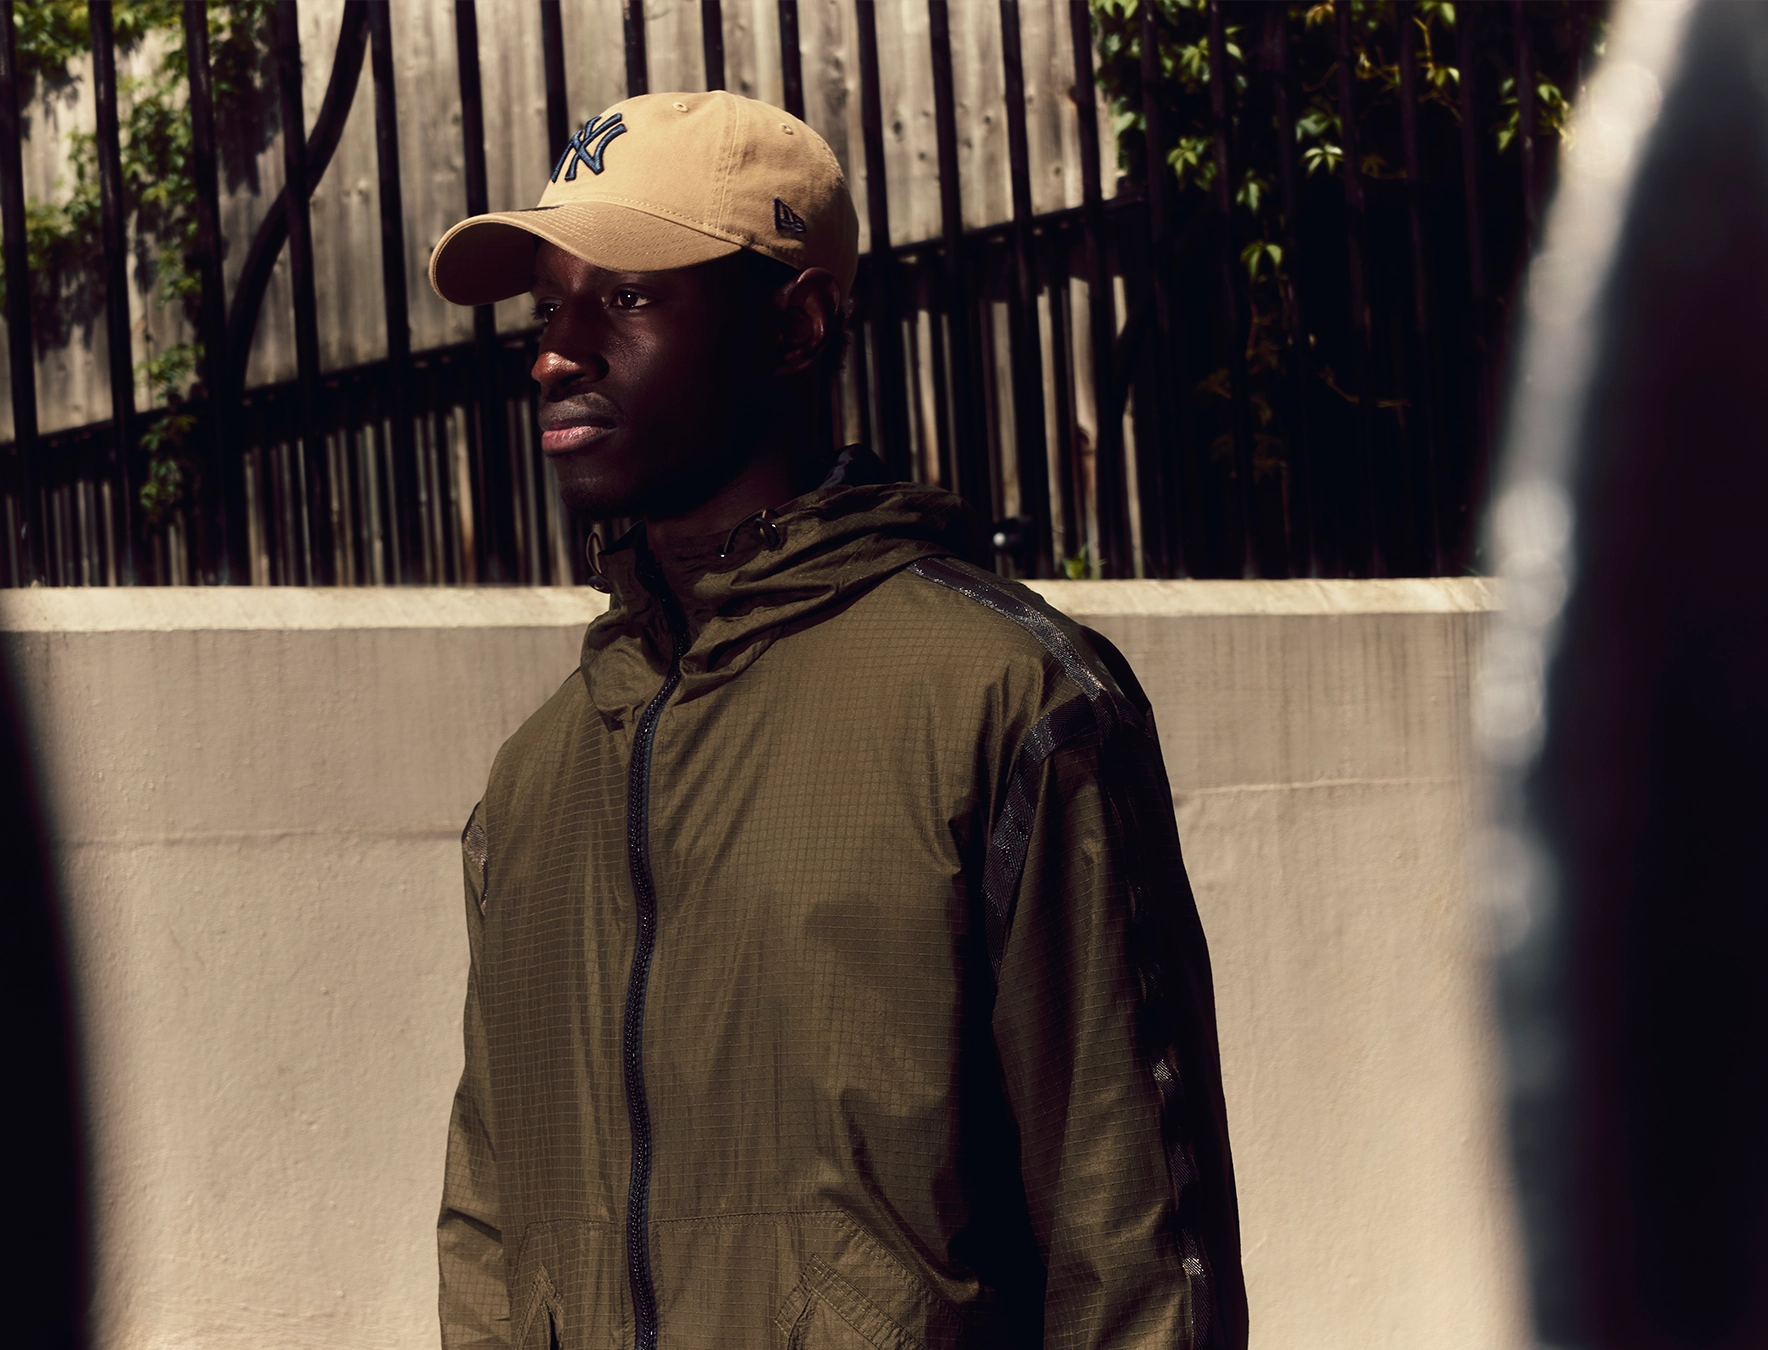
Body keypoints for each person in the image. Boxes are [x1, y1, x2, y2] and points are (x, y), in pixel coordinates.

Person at [427, 90, 1246, 1350]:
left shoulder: (1008, 702)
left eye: (629, 298)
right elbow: (490, 1224)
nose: (555, 352)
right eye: (551, 306)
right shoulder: (539, 776)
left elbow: (1132, 1242)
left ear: (798, 324)